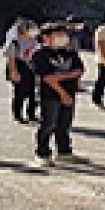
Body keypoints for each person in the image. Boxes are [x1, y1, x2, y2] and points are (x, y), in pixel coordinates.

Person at [31, 23, 87, 167]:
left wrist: (62, 77)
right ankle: (42, 153)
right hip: (49, 94)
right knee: (48, 123)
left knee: (64, 124)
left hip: (69, 92)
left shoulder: (70, 52)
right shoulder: (39, 54)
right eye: (58, 35)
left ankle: (64, 151)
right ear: (46, 37)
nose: (63, 38)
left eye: (64, 35)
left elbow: (79, 70)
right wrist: (63, 89)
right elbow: (48, 78)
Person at [4, 19, 39, 124]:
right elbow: (11, 58)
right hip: (19, 66)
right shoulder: (14, 41)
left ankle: (31, 114)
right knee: (20, 92)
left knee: (33, 92)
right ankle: (18, 115)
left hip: (31, 66)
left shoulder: (34, 40)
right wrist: (13, 72)